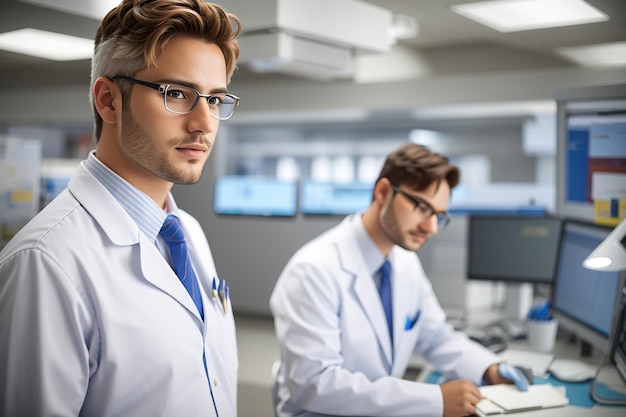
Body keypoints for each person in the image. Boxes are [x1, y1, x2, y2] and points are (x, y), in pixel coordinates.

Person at [0, 1, 241, 415]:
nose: (204, 122)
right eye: (177, 93)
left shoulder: (187, 232)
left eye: (215, 100)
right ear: (108, 101)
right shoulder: (45, 263)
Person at [270, 143, 530, 417]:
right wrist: (435, 400)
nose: (430, 228)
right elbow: (315, 384)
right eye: (421, 207)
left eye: (439, 216)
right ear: (383, 192)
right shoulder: (313, 270)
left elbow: (434, 337)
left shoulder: (404, 262)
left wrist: (488, 368)